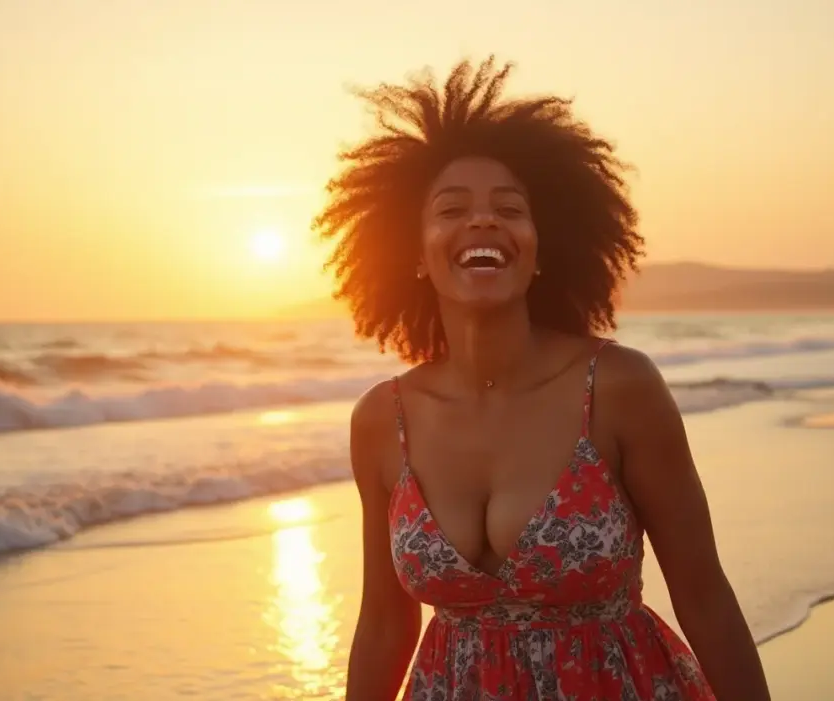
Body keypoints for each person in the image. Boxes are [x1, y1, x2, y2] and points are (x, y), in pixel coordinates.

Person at [314, 56, 771, 701]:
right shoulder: (381, 421)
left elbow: (704, 596)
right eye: (451, 209)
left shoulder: (617, 387)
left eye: (510, 208)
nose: (483, 221)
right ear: (413, 255)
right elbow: (386, 625)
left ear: (538, 248)